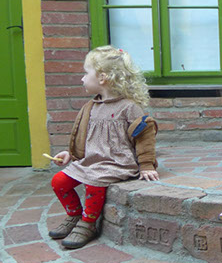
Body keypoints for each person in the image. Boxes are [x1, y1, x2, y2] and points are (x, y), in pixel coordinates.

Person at [48, 46, 159, 249]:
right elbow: (82, 135)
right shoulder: (90, 107)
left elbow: (145, 135)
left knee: (94, 183)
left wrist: (146, 165)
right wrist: (71, 154)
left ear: (102, 78)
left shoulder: (129, 107)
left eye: (86, 73)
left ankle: (88, 223)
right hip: (91, 161)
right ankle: (75, 215)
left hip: (116, 163)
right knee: (59, 181)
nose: (82, 78)